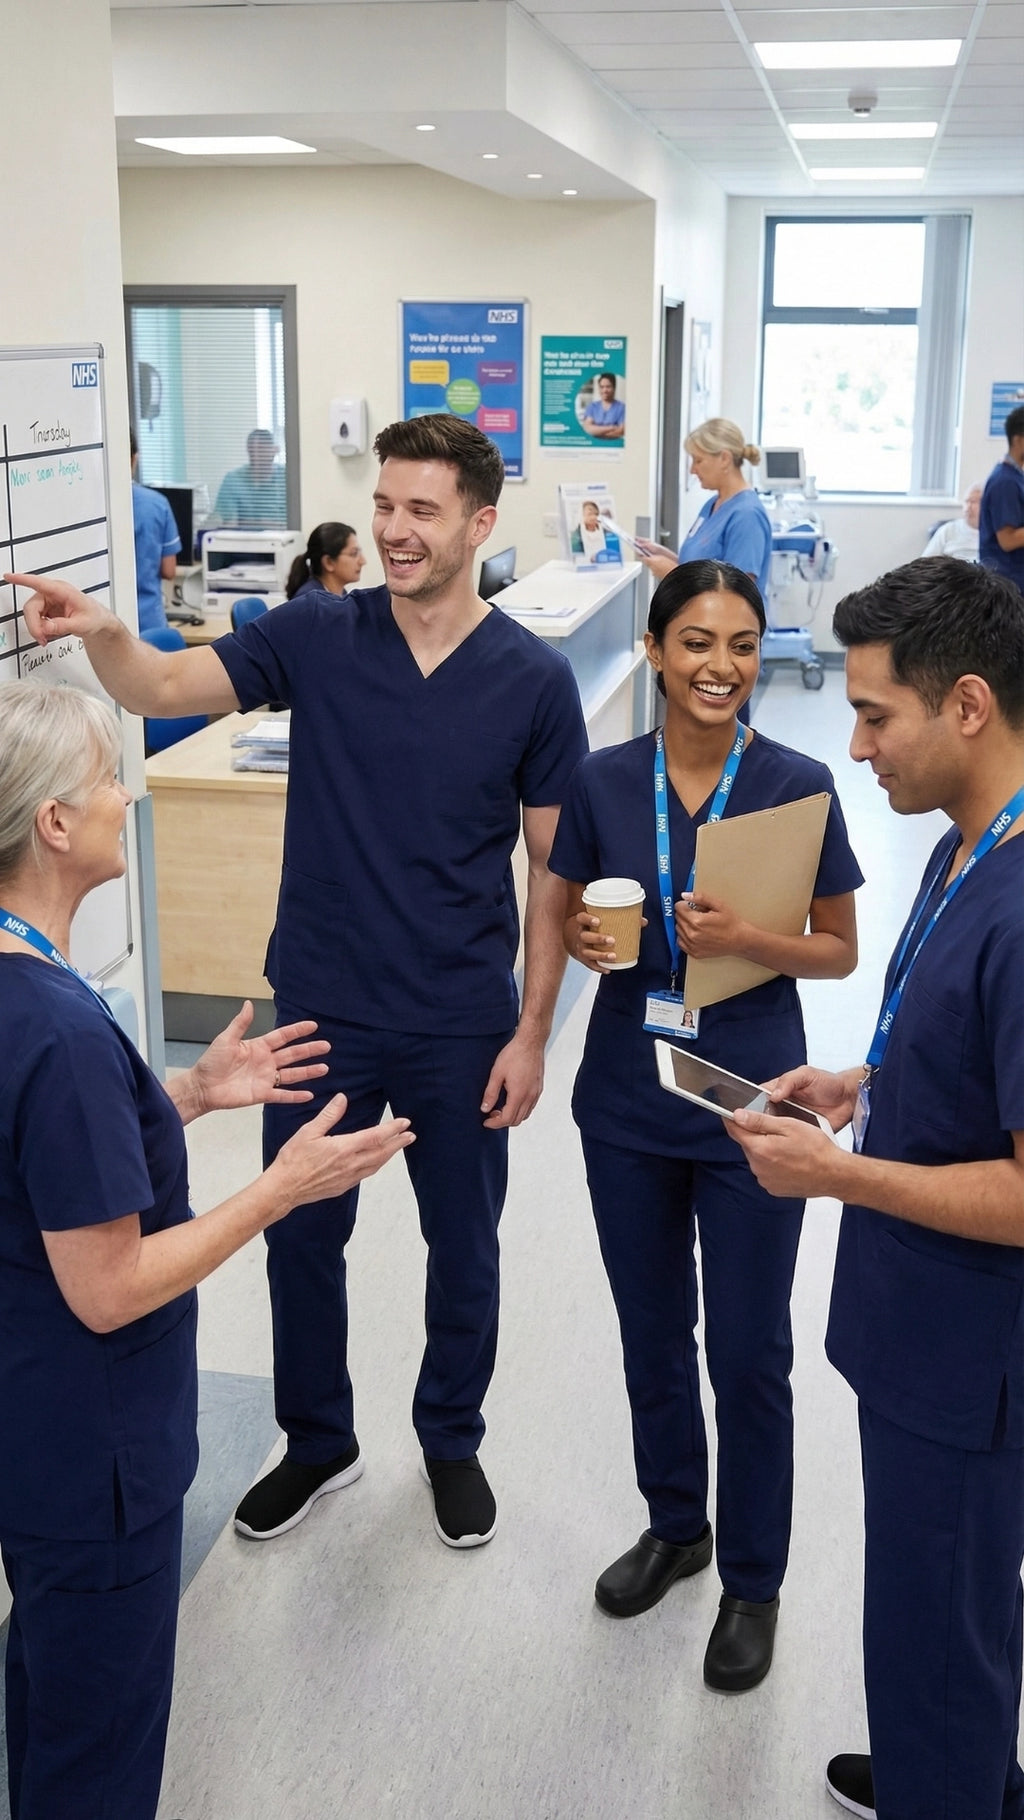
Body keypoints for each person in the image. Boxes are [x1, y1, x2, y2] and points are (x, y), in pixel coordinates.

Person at [10, 413, 588, 1554]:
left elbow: (552, 873)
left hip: (461, 1014)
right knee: (300, 1233)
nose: (393, 530)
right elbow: (164, 680)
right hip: (322, 1001)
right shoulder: (321, 631)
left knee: (461, 1243)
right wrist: (107, 635)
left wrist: (530, 1030)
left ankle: (451, 1437)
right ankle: (318, 1437)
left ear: (480, 521)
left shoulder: (531, 681)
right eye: (384, 505)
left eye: (422, 511)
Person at [0, 680, 413, 1820]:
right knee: (100, 1747)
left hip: (32, 1435)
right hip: (99, 1459)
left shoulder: (23, 988)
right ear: (52, 824)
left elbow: (43, 1176)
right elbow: (109, 1283)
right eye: (103, 779)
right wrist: (281, 1189)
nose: (124, 793)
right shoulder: (60, 1029)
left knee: (48, 1689)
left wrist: (179, 1094)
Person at [728, 557, 1024, 1818]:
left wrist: (840, 1178)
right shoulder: (970, 843)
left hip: (969, 1356)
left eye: (873, 714)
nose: (854, 747)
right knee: (936, 1603)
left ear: (965, 703)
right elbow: (953, 1028)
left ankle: (944, 1781)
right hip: (923, 1333)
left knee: (937, 1610)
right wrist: (863, 1074)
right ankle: (943, 1767)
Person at [547, 558, 861, 1692]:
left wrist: (751, 935)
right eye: (694, 642)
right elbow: (572, 909)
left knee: (748, 1348)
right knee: (649, 1330)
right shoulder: (602, 779)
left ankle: (754, 1580)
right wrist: (585, 946)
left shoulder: (796, 780)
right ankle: (678, 1525)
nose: (718, 664)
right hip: (627, 1096)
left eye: (739, 642)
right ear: (654, 650)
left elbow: (838, 949)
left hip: (752, 1101)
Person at [636, 418, 773, 606]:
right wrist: (663, 554)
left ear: (725, 459)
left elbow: (737, 595)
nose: (693, 470)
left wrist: (671, 573)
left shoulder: (747, 515)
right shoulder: (713, 504)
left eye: (698, 460)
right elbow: (700, 568)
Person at [130, 428, 180, 635]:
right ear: (135, 458)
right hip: (148, 623)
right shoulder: (156, 504)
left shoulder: (89, 508)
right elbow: (169, 570)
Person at [979, 403, 1024, 593]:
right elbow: (1008, 540)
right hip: (1008, 583)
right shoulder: (1005, 481)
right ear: (1019, 440)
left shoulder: (1015, 477)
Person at [212, 428, 287, 528]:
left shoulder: (287, 478)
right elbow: (229, 525)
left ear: (275, 450)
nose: (255, 457)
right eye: (252, 451)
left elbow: (290, 525)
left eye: (261, 450)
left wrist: (249, 522)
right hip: (242, 542)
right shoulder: (233, 480)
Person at [285, 522, 366, 599]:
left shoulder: (341, 594)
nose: (363, 561)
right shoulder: (311, 602)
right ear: (329, 562)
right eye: (354, 554)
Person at [920, 482, 981, 561]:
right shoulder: (948, 529)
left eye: (973, 502)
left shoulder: (995, 532)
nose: (968, 507)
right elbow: (925, 562)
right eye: (966, 501)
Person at [582, 372, 625, 441]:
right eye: (602, 387)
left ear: (614, 388)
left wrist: (597, 432)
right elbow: (588, 429)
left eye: (608, 387)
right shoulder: (592, 406)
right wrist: (612, 427)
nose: (604, 390)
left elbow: (621, 431)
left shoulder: (621, 407)